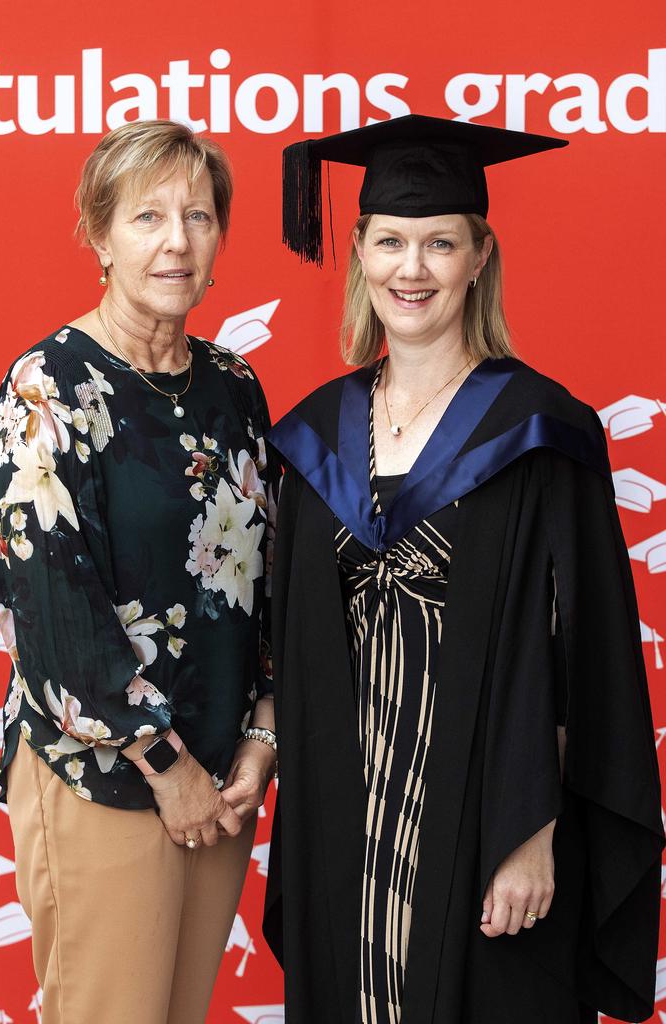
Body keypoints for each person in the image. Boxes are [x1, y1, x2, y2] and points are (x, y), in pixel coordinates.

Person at [263, 114, 663, 1024]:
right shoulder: (312, 435)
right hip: (348, 819)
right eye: (391, 242)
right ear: (358, 250)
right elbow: (290, 640)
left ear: (479, 256)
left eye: (439, 244)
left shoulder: (540, 431)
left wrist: (533, 831)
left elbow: (584, 661)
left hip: (487, 815)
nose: (413, 269)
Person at [0, 119, 278, 1024]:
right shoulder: (48, 386)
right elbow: (51, 609)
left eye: (198, 215)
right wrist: (163, 761)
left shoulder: (235, 385)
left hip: (220, 783)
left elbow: (267, 582)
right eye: (147, 217)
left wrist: (263, 735)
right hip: (107, 774)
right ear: (99, 233)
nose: (177, 241)